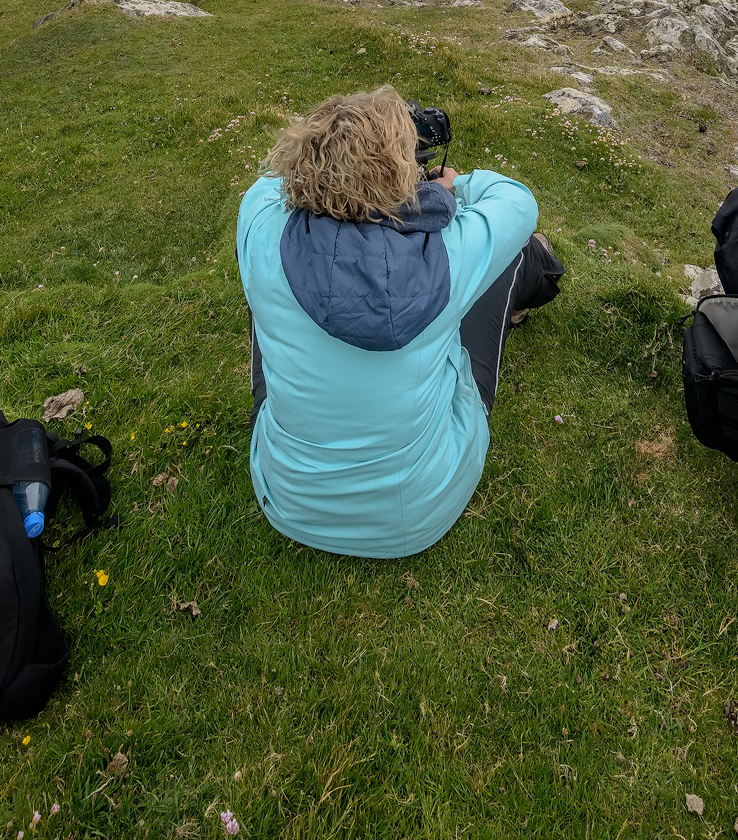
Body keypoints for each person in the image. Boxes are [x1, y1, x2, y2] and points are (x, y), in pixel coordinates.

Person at [235, 86, 562, 558]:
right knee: (510, 256)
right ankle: (535, 281)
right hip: (419, 514)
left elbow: (267, 187)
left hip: (285, 500)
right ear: (402, 176)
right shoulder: (449, 250)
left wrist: (326, 170)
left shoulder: (263, 228)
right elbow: (516, 200)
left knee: (261, 283)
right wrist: (444, 192)